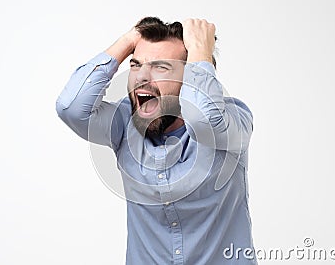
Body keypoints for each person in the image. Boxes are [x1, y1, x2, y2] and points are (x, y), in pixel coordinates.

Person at [56, 17, 257, 265]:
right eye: (136, 64)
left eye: (161, 67)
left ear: (191, 76)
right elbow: (70, 108)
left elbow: (205, 121)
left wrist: (201, 53)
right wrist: (130, 38)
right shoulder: (124, 125)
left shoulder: (232, 120)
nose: (141, 77)